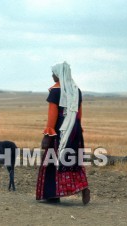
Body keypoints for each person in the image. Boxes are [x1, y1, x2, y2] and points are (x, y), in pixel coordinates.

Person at [36, 61, 90, 205]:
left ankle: (52, 194)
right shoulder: (75, 90)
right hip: (74, 130)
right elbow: (78, 113)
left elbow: (52, 115)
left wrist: (48, 134)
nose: (52, 76)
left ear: (59, 74)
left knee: (53, 161)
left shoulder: (56, 91)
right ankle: (83, 186)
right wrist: (76, 129)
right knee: (74, 161)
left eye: (54, 73)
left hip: (59, 131)